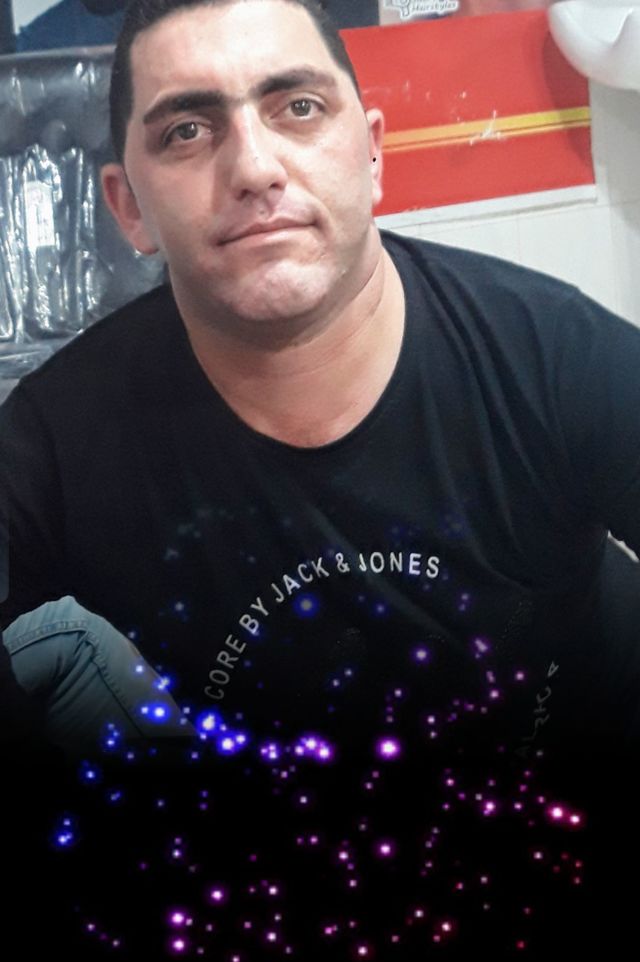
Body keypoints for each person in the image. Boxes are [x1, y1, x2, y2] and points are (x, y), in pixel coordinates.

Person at [1, 0, 638, 764]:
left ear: (372, 154)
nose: (255, 169)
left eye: (298, 107)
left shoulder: (552, 356)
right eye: (188, 131)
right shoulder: (52, 447)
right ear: (129, 207)